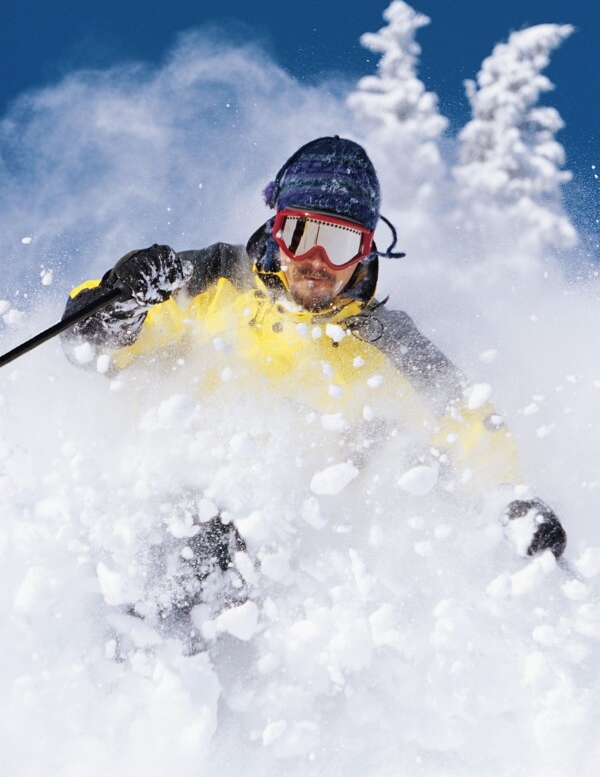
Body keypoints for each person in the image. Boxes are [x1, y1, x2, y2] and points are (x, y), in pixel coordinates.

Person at [62, 136, 567, 581]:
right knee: (196, 526)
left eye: (341, 243)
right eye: (301, 234)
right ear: (276, 229)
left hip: (285, 554)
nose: (317, 261)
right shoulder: (213, 278)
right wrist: (119, 300)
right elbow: (86, 347)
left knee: (398, 460)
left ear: (366, 251)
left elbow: (463, 413)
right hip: (154, 518)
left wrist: (508, 497)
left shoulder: (384, 341)